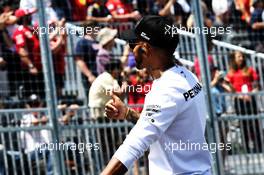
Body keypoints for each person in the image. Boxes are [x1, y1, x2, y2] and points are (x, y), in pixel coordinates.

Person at [102, 15, 212, 175]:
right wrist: (127, 113)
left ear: (145, 49)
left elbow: (132, 146)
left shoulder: (166, 90)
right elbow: (163, 126)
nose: (131, 50)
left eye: (132, 44)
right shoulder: (187, 76)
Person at [226, 50, 261, 152]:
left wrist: (252, 93)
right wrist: (238, 95)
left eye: (242, 56)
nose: (241, 58)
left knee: (254, 122)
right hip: (239, 101)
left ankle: (258, 146)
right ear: (234, 59)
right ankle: (246, 147)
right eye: (239, 56)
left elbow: (256, 84)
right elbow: (227, 86)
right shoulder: (231, 72)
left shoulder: (249, 70)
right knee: (243, 124)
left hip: (250, 99)